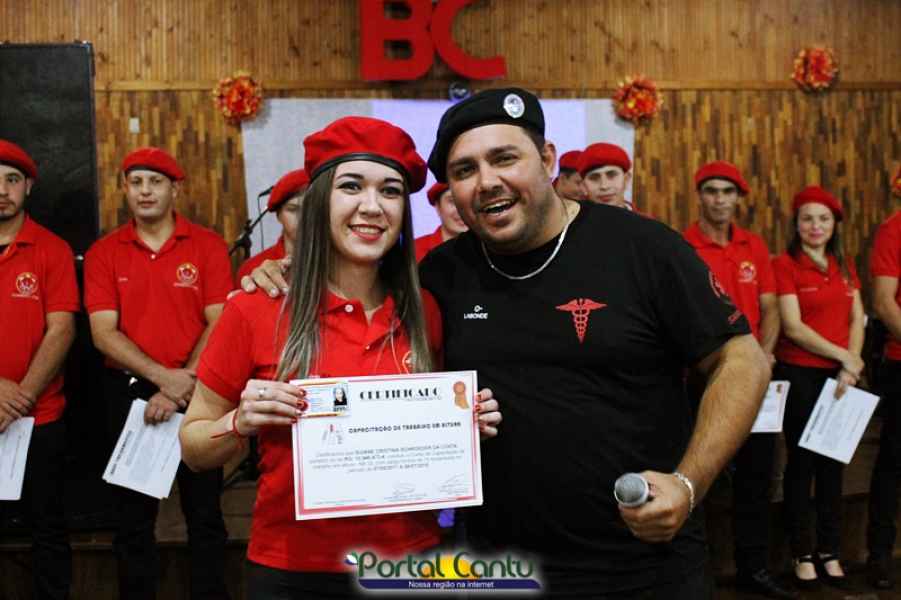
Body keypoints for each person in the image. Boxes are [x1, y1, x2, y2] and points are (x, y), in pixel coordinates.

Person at [241, 89, 770, 598]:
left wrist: (688, 483)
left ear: (547, 159)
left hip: (644, 566)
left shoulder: (643, 248)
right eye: (464, 171)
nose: (487, 182)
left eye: (504, 158)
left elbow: (741, 358)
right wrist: (289, 272)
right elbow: (359, 292)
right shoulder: (441, 275)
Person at [178, 116, 501, 598]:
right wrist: (239, 422)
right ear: (319, 201)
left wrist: (467, 422)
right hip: (293, 571)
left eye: (390, 191)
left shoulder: (426, 310)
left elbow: (434, 428)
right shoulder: (255, 308)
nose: (372, 206)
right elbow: (192, 447)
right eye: (351, 186)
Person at [84, 147, 232, 600]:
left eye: (156, 182)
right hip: (131, 394)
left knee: (205, 515)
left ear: (175, 189)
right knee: (132, 521)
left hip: (199, 390)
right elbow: (103, 333)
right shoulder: (104, 252)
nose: (145, 191)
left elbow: (220, 322)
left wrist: (181, 383)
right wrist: (164, 379)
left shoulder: (207, 245)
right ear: (124, 190)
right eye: (136, 182)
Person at [684, 161, 795, 599]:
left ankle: (755, 569)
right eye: (711, 191)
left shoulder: (755, 246)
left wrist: (762, 359)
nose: (719, 199)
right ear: (700, 196)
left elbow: (770, 308)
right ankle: (699, 573)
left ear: (737, 199)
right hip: (703, 380)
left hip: (754, 381)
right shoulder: (683, 246)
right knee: (701, 478)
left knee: (756, 478)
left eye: (727, 192)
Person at [771, 185, 864, 591]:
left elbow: (857, 318)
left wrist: (852, 365)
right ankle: (802, 552)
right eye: (807, 218)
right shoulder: (784, 265)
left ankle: (830, 550)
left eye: (823, 219)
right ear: (796, 224)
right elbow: (793, 327)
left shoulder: (844, 265)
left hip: (842, 379)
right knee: (802, 465)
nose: (815, 226)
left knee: (833, 467)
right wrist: (844, 356)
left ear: (834, 225)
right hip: (801, 374)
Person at [0, 139, 77, 600]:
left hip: (40, 418)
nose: (1, 191)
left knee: (49, 530)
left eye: (11, 180)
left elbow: (62, 329)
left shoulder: (52, 249)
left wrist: (20, 398)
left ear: (28, 187)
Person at [865, 207, 901, 590]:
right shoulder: (894, 229)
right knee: (893, 464)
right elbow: (884, 303)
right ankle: (879, 556)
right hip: (900, 362)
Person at [236, 168, 308, 282]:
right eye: (293, 209)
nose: (304, 217)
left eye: (312, 209)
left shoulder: (337, 262)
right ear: (278, 215)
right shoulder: (251, 268)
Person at [413, 181, 467, 262]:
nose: (461, 210)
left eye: (467, 200)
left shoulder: (487, 246)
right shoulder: (414, 251)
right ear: (438, 207)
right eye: (453, 201)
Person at [577, 142, 637, 210]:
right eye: (594, 178)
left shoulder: (642, 217)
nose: (604, 186)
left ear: (626, 179)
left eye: (612, 175)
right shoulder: (573, 216)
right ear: (583, 186)